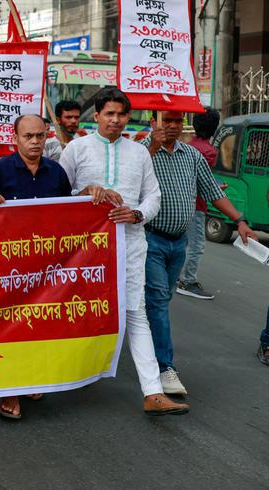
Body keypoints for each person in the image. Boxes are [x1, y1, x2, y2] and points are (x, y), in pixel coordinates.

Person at [58, 87, 188, 416]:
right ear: (97, 115)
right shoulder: (76, 149)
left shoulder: (139, 153)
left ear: (128, 117)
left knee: (135, 312)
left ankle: (152, 391)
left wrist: (137, 214)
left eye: (121, 114)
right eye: (109, 114)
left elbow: (153, 196)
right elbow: (58, 196)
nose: (115, 120)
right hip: (84, 249)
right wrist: (84, 191)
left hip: (130, 243)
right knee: (79, 310)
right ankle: (60, 377)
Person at [141, 110, 255, 397]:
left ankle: (144, 342)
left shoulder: (192, 156)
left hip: (178, 243)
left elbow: (213, 192)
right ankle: (165, 367)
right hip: (148, 240)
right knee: (156, 300)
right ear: (154, 122)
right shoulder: (141, 152)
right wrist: (152, 146)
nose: (172, 126)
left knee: (160, 301)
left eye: (177, 121)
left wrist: (240, 220)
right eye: (166, 120)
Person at [0, 114, 72, 419]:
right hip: (7, 267)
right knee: (9, 327)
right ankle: (9, 388)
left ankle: (29, 377)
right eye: (28, 136)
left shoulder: (56, 172)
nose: (34, 142)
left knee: (38, 325)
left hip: (45, 267)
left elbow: (71, 214)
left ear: (47, 137)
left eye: (40, 136)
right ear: (14, 138)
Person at [178, 109, 221, 299]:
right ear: (214, 128)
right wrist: (218, 189)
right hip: (196, 205)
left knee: (183, 243)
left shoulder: (188, 146)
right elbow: (202, 182)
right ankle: (187, 281)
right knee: (196, 245)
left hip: (180, 203)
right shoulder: (209, 151)